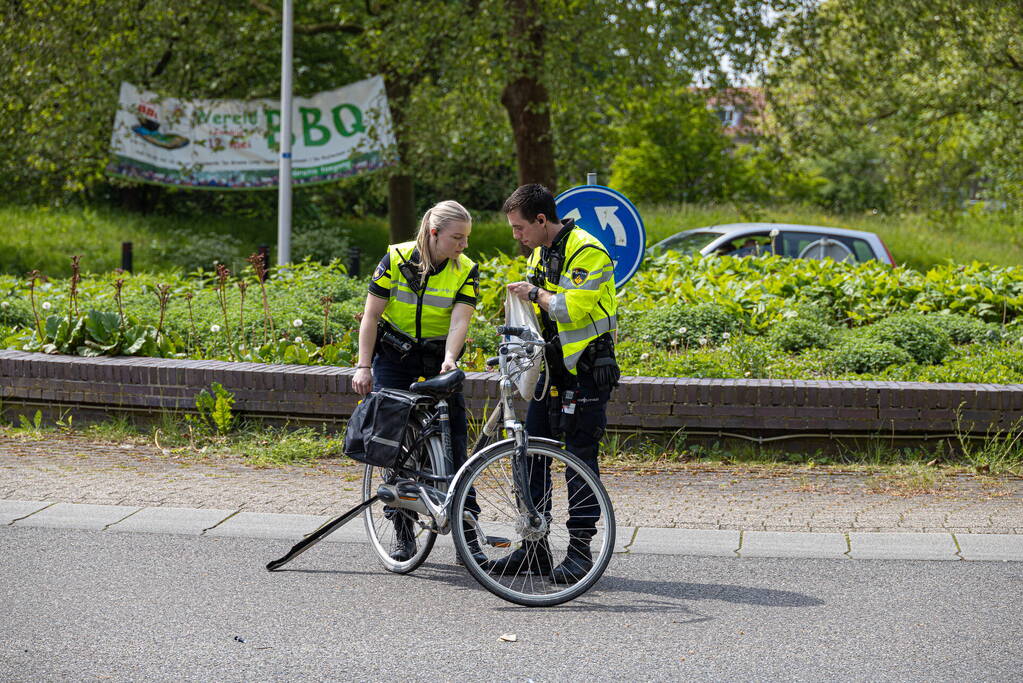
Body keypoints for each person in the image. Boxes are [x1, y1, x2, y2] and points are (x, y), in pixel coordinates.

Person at [492, 183, 621, 584]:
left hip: (585, 371)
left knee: (580, 460)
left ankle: (581, 552)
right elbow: (538, 314)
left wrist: (532, 292)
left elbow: (571, 308)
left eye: (519, 228)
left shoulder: (587, 250)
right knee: (529, 453)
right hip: (550, 371)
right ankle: (534, 548)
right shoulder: (540, 253)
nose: (516, 235)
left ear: (542, 220)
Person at [353, 199, 484, 564]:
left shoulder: (466, 269)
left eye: (466, 238)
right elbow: (371, 315)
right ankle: (402, 531)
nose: (464, 245)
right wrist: (364, 366)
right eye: (457, 238)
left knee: (456, 442)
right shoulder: (394, 260)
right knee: (393, 442)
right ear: (434, 233)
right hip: (395, 357)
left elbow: (460, 321)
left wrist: (450, 360)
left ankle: (466, 536)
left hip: (437, 357)